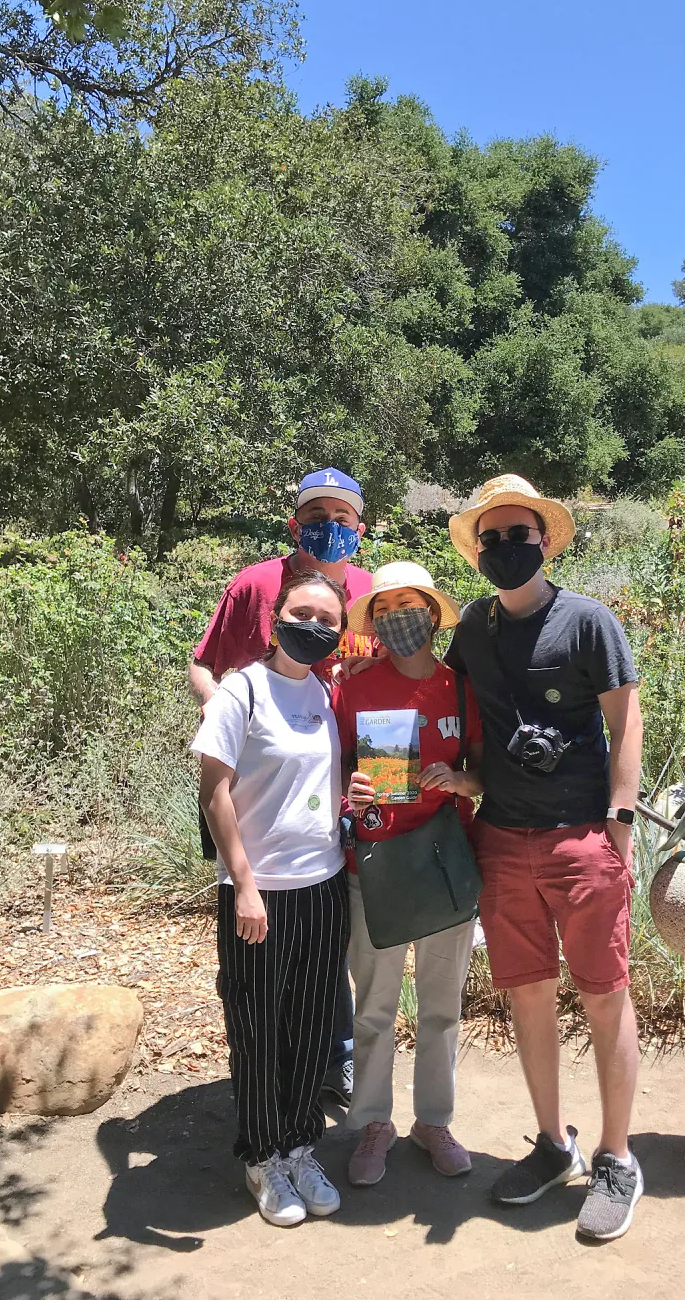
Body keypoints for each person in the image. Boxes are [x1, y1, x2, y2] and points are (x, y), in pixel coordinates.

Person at [445, 474, 644, 1242]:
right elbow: (455, 714)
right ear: (478, 551)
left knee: (604, 997)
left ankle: (617, 1156)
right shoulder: (471, 630)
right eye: (491, 539)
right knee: (527, 995)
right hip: (502, 836)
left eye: (518, 535)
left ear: (546, 540)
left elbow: (626, 723)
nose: (505, 549)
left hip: (580, 839)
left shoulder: (588, 621)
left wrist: (619, 825)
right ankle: (552, 1143)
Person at [189, 467, 375, 1106]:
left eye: (343, 518)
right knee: (261, 942)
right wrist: (232, 722)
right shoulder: (256, 583)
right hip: (261, 786)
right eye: (317, 516)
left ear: (361, 527)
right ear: (294, 524)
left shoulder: (370, 593)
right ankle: (266, 1082)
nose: (331, 528)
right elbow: (203, 664)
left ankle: (334, 1061)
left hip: (342, 788)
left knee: (329, 937)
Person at [192, 570, 350, 1228]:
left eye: (327, 620)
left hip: (325, 884)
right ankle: (261, 1157)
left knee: (312, 1024)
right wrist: (246, 884)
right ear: (276, 617)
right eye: (301, 612)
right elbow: (214, 792)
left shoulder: (324, 693)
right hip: (260, 895)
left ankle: (299, 1145)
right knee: (258, 1029)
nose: (312, 626)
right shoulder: (242, 691)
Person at [332, 562, 484, 1187]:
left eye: (410, 604)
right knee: (373, 1005)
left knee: (442, 1005)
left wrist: (460, 780)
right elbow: (331, 774)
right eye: (386, 607)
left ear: (432, 610)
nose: (399, 617)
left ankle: (433, 1120)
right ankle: (373, 1122)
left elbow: (487, 773)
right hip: (375, 864)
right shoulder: (356, 689)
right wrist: (352, 789)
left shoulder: (460, 688)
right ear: (374, 621)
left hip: (445, 861)